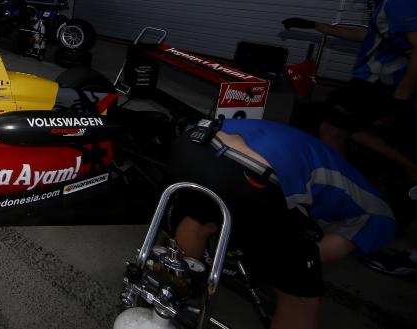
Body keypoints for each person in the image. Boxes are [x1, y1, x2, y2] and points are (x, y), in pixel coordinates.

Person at [167, 119, 395, 329]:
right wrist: (271, 258)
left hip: (194, 145)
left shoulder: (313, 148)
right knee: (301, 296)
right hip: (250, 175)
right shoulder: (378, 211)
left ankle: (170, 295)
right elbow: (319, 251)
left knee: (200, 219)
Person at [282, 0, 417, 188]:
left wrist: (402, 95)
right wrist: (315, 25)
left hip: (378, 83)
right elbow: (372, 34)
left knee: (331, 129)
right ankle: (408, 166)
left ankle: (346, 189)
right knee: (348, 124)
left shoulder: (400, 0)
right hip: (382, 82)